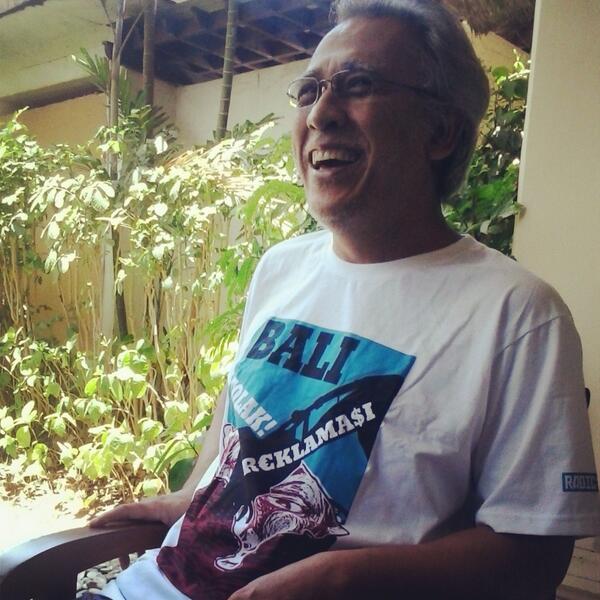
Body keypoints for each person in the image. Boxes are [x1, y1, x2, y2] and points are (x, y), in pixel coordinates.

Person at [89, 1, 600, 598]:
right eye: (309, 91)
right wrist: (193, 494)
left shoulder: (516, 313)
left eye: (358, 86)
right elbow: (239, 408)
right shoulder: (282, 267)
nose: (320, 114)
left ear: (440, 132)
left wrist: (342, 575)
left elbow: (535, 556)